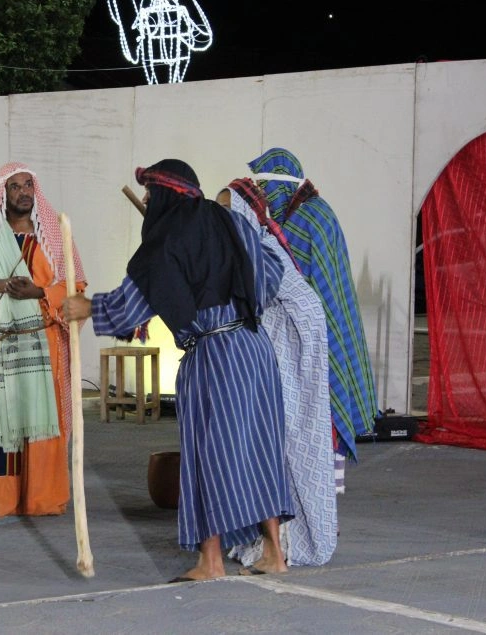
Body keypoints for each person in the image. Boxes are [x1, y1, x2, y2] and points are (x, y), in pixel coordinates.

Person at [64, 159, 292, 581]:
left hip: (216, 356)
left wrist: (86, 306)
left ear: (167, 195)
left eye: (150, 196)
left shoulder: (166, 241)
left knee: (210, 455)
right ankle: (275, 553)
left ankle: (211, 561)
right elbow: (273, 272)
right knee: (259, 449)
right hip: (256, 351)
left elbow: (128, 308)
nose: (147, 204)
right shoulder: (229, 222)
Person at [0, 161, 86, 518]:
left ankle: (41, 499)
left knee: (43, 428)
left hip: (44, 346)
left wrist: (38, 292)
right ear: (3, 194)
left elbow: (76, 288)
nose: (24, 192)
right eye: (15, 186)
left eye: (29, 185)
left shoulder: (54, 233)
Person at [218, 179, 336, 569]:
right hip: (262, 368)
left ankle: (286, 543)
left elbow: (308, 311)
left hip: (285, 373)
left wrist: (291, 360)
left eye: (227, 213)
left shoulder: (267, 251)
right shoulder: (242, 252)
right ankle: (263, 538)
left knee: (281, 456)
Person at [249, 148, 377, 487]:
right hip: (315, 330)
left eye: (264, 188)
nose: (262, 198)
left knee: (320, 417)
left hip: (314, 335)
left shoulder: (305, 221)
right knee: (315, 421)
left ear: (280, 186)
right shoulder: (315, 212)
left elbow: (282, 276)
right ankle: (319, 508)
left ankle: (322, 514)